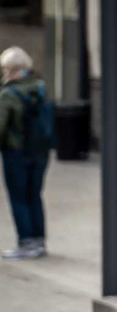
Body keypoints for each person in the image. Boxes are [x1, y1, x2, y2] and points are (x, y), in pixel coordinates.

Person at [0, 47, 52, 259]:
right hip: (40, 152)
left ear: (11, 69)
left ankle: (26, 242)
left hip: (16, 153)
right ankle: (39, 241)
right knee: (35, 195)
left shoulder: (8, 95)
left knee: (18, 198)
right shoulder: (40, 88)